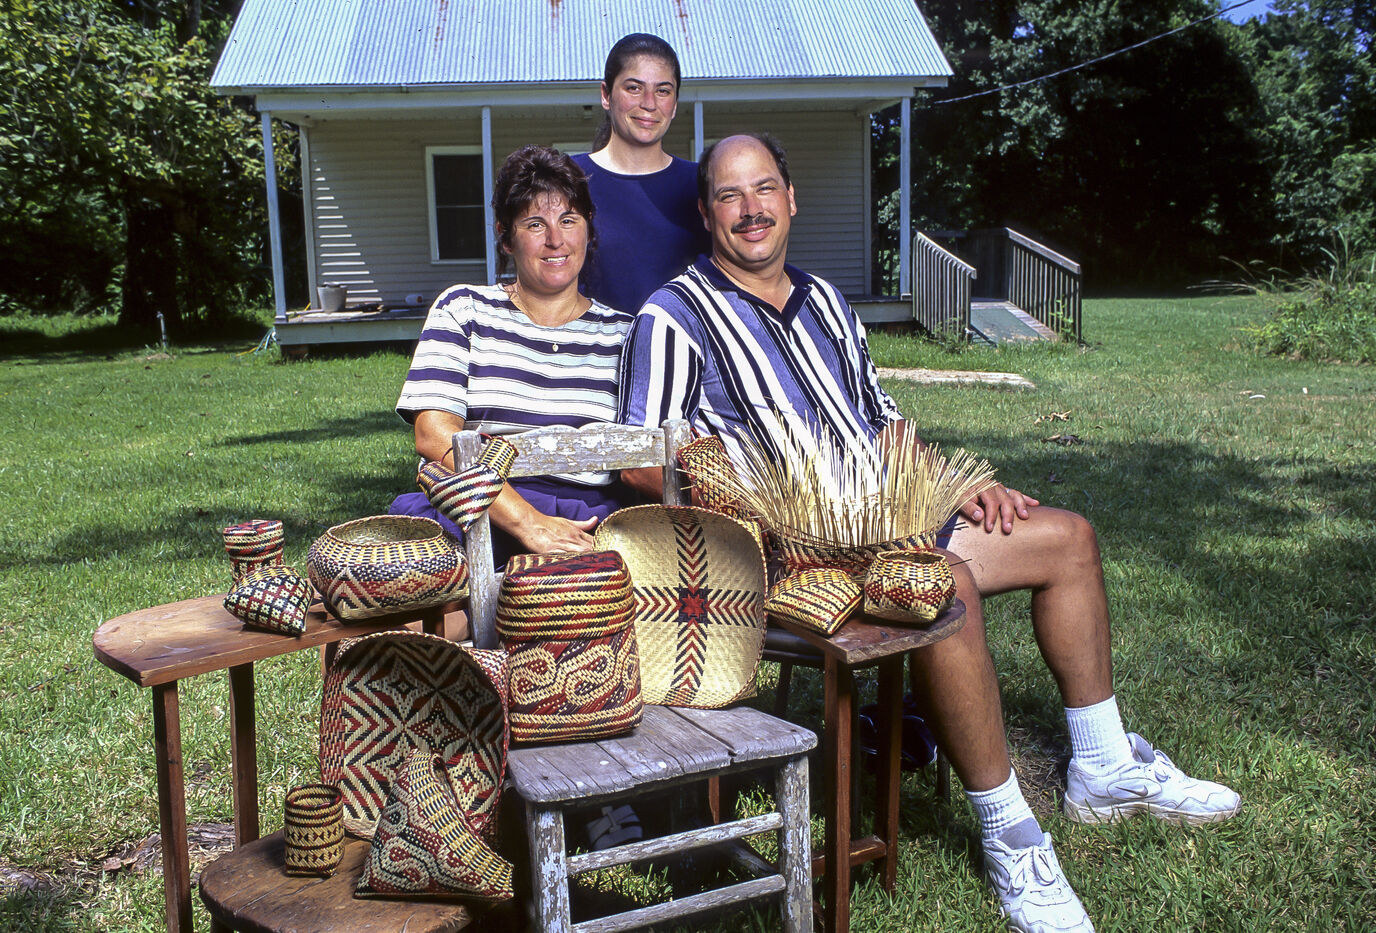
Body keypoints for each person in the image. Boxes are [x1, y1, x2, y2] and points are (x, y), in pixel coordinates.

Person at [616, 134, 1242, 933]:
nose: (751, 209)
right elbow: (643, 459)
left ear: (791, 197)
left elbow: (882, 426)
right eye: (731, 196)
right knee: (947, 583)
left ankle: (1105, 765)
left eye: (764, 187)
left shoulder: (828, 303)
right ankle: (1010, 830)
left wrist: (956, 480)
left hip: (888, 520)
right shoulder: (673, 315)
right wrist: (740, 492)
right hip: (785, 554)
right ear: (706, 212)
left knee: (1067, 538)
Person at [390, 145, 634, 563]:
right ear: (506, 237)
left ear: (588, 228)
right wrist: (528, 523)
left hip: (587, 523)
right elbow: (433, 436)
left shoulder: (626, 334)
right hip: (477, 509)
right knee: (440, 615)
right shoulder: (463, 310)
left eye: (568, 220)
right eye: (535, 224)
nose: (555, 239)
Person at [572, 33, 710, 315]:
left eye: (663, 90)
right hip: (591, 354)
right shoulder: (569, 179)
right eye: (634, 88)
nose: (649, 103)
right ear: (606, 95)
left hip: (682, 353)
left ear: (674, 103)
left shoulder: (702, 185)